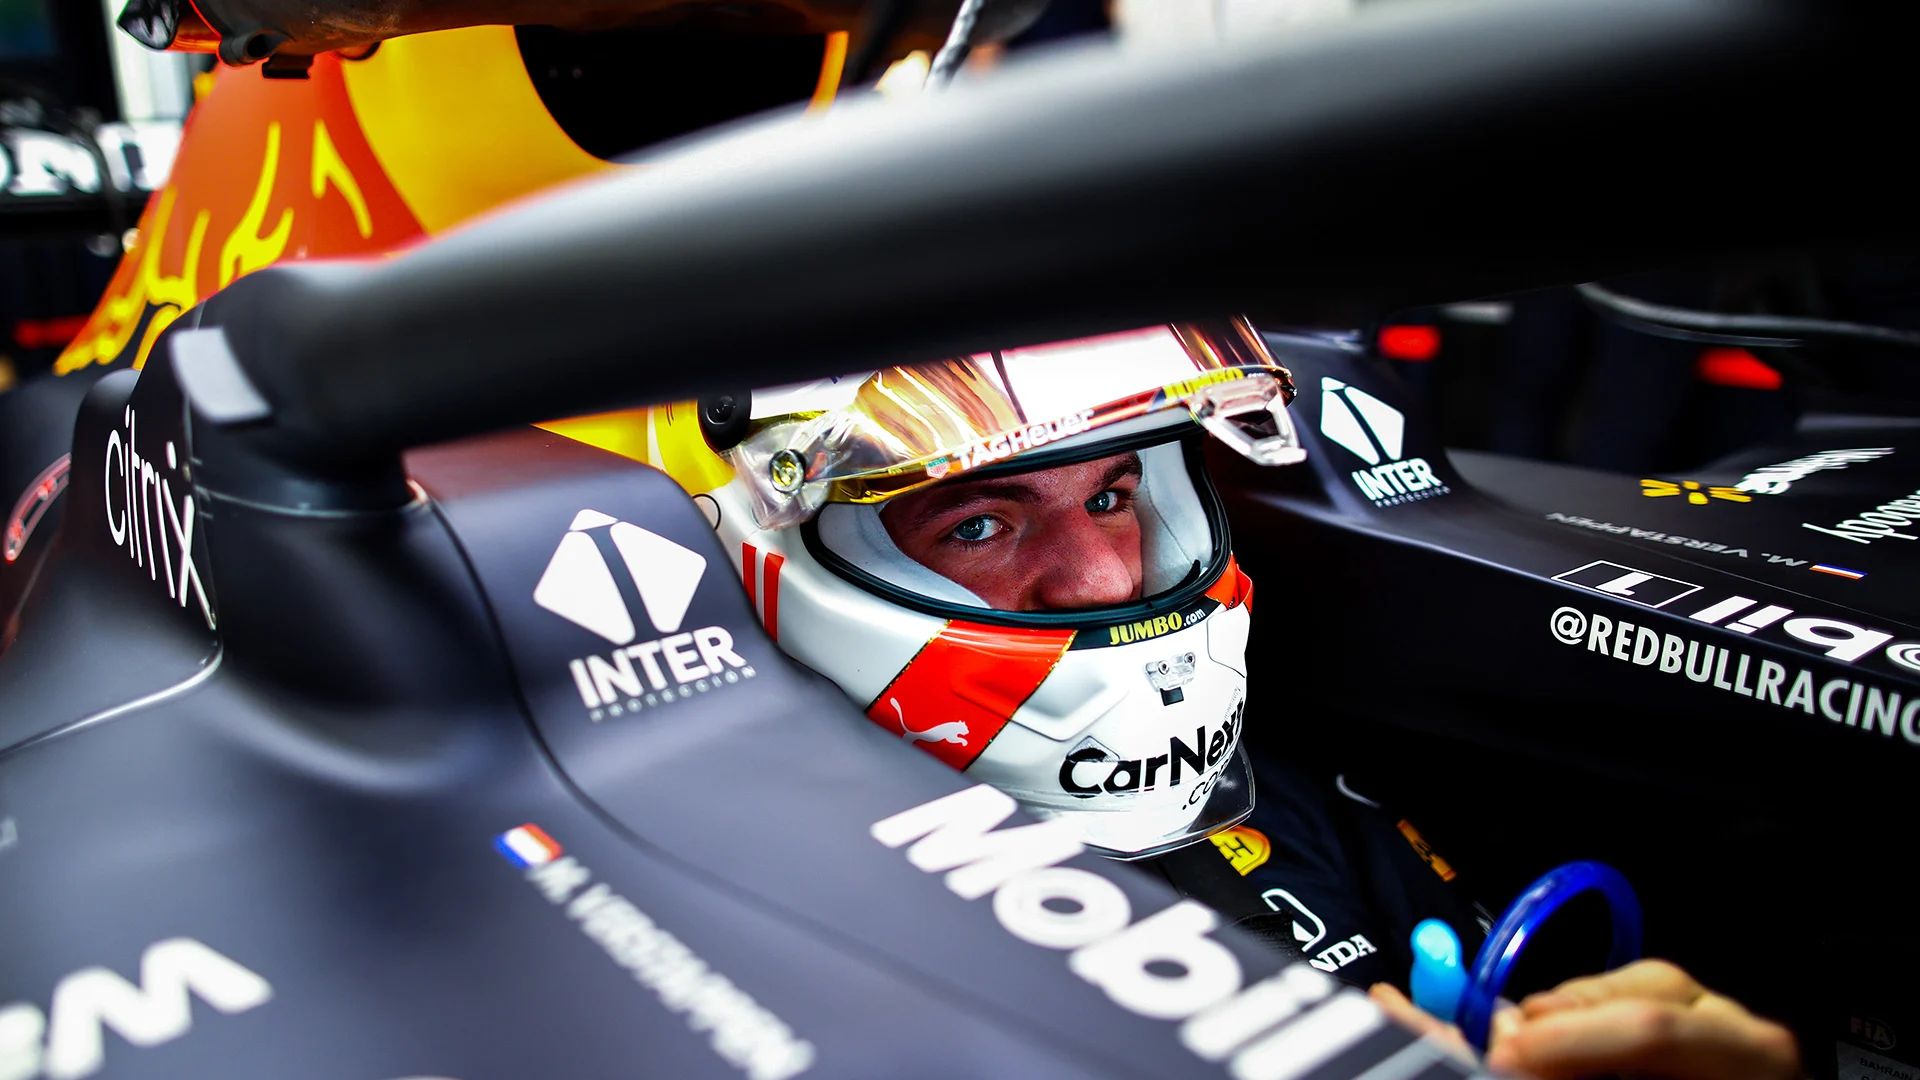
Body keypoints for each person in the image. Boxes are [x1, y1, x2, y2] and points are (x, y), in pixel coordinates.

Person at [600, 318, 1800, 1080]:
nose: (1108, 576)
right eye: (978, 521)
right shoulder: (693, 933)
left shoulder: (1290, 792)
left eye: (1117, 496)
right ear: (777, 553)